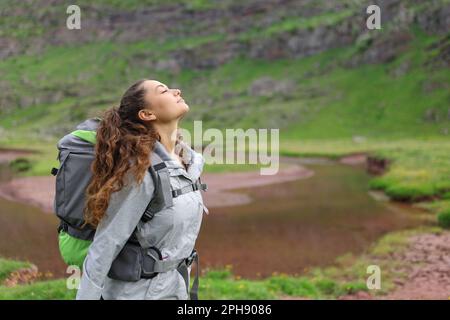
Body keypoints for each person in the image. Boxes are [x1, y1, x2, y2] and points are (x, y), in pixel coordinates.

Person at [76, 79, 208, 300]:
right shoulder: (139, 170)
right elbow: (107, 241)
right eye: (164, 90)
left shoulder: (188, 163)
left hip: (175, 288)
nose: (177, 91)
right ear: (147, 114)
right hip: (139, 293)